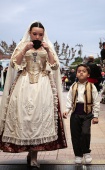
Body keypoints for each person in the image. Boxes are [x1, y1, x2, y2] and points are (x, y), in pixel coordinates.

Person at [0, 21, 67, 170]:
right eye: (35, 33)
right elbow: (13, 64)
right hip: (23, 85)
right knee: (25, 119)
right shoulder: (22, 45)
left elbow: (54, 66)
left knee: (39, 119)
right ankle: (29, 152)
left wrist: (49, 51)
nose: (37, 36)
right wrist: (24, 49)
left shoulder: (48, 46)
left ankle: (34, 156)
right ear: (30, 33)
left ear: (44, 35)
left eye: (40, 34)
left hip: (43, 86)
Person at [63, 64, 100, 164]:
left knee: (85, 133)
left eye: (84, 71)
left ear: (88, 74)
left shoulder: (92, 87)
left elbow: (96, 101)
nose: (81, 72)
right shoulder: (73, 86)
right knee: (75, 135)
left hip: (87, 114)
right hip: (75, 114)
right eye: (79, 71)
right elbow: (69, 100)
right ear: (76, 74)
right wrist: (67, 110)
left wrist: (95, 116)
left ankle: (86, 152)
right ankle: (78, 155)